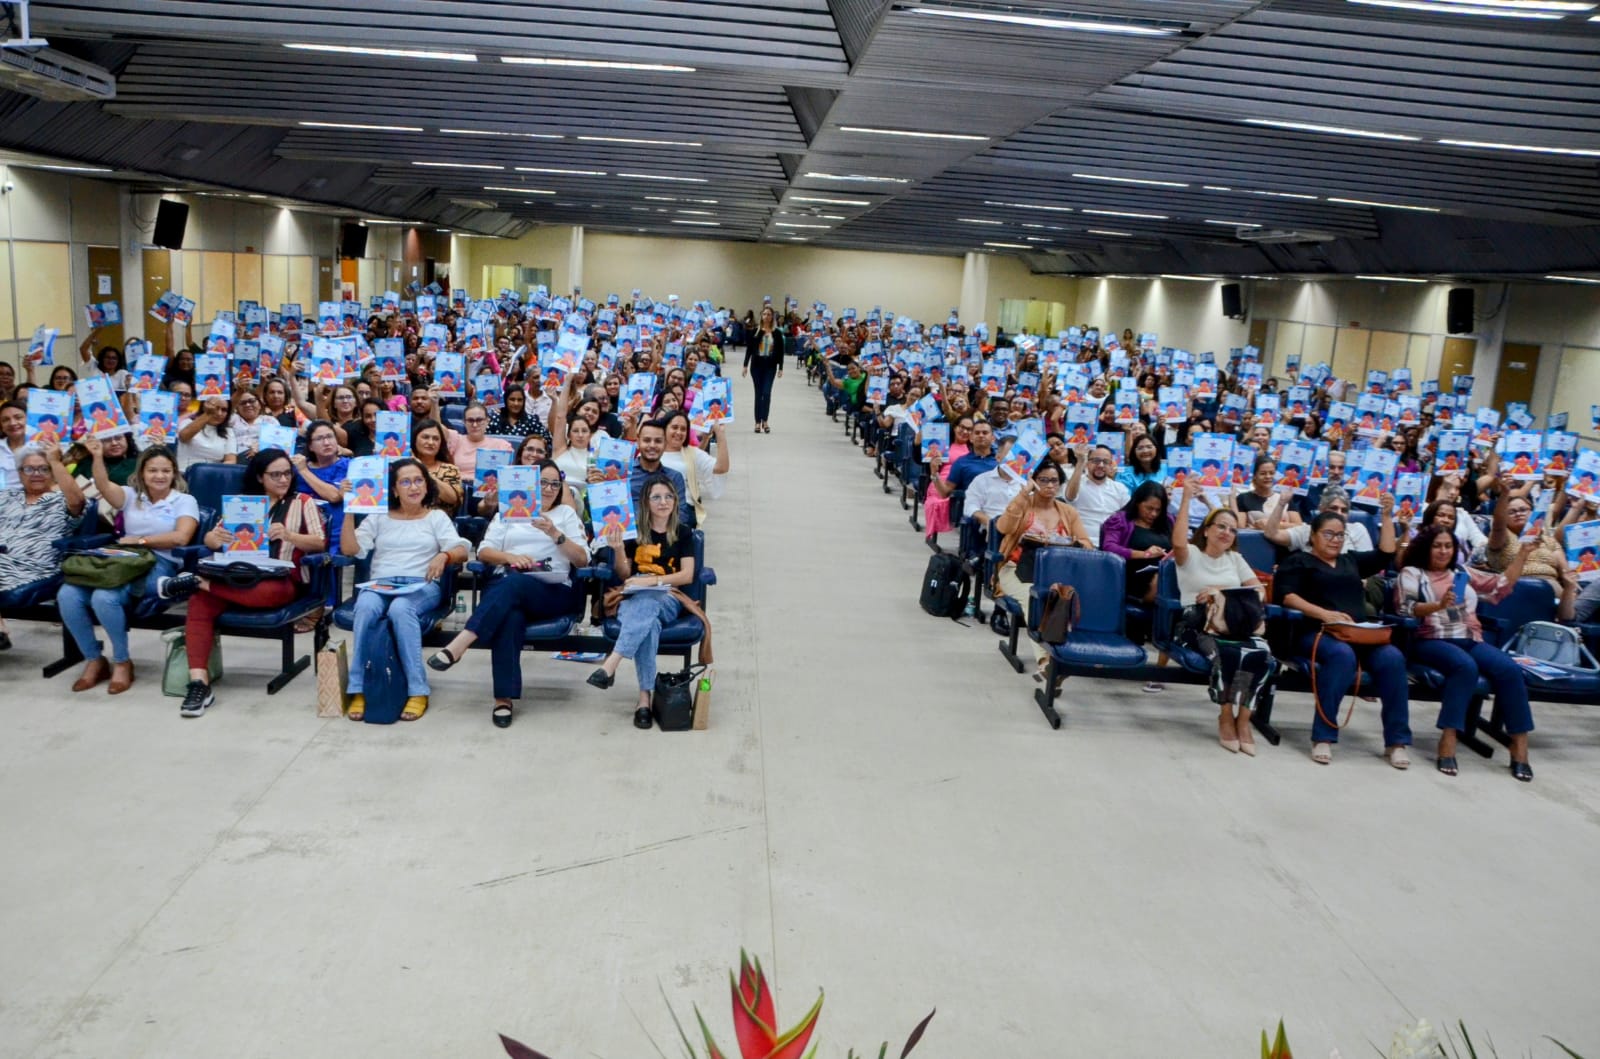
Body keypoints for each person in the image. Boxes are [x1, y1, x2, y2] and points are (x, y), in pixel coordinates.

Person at [161, 449, 327, 718]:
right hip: (236, 576)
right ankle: (199, 683)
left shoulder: (303, 501)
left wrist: (290, 535)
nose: (283, 479)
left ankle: (197, 583)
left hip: (280, 579)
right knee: (199, 603)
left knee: (269, 592)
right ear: (260, 477)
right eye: (275, 474)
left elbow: (320, 542)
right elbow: (211, 542)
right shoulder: (243, 504)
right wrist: (219, 537)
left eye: (287, 473)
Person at [428, 459, 589, 727]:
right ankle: (503, 698)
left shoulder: (566, 515)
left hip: (553, 591)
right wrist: (510, 557)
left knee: (512, 586)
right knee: (510, 614)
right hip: (510, 585)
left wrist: (555, 534)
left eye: (554, 484)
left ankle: (461, 643)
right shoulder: (508, 512)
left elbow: (583, 560)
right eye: (542, 483)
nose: (548, 489)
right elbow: (483, 552)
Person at [1275, 495, 1411, 768]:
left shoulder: (1350, 561)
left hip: (1358, 633)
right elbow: (1287, 597)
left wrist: (1386, 516)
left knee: (1393, 658)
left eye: (1340, 535)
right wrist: (1323, 613)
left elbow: (1385, 554)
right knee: (1342, 656)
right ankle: (1323, 736)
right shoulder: (1298, 561)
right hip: (1317, 632)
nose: (1335, 540)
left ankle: (1396, 741)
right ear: (1313, 536)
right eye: (1328, 534)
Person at [1397, 525, 1537, 781]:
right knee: (1465, 666)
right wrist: (1438, 605)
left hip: (1469, 637)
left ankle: (1519, 745)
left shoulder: (1461, 573)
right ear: (1426, 548)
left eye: (1448, 546)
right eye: (1437, 546)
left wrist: (1523, 554)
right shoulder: (1412, 573)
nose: (1443, 551)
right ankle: (1449, 737)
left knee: (1509, 669)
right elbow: (1406, 609)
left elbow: (1500, 586)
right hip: (1431, 638)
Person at [58, 442, 199, 694]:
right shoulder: (132, 495)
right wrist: (98, 456)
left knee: (105, 597)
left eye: (166, 471)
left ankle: (122, 661)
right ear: (142, 473)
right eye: (153, 470)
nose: (159, 476)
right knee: (67, 595)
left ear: (175, 473)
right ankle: (94, 659)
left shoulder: (184, 500)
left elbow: (181, 538)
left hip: (160, 561)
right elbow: (102, 486)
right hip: (124, 558)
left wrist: (142, 540)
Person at [339, 457, 469, 722]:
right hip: (381, 583)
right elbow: (351, 550)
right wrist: (349, 509)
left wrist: (443, 556)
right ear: (395, 489)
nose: (414, 487)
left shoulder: (436, 517)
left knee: (401, 609)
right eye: (406, 482)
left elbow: (462, 550)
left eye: (419, 480)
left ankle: (418, 689)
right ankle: (358, 686)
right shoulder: (378, 517)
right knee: (364, 607)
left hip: (420, 586)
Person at [1170, 479, 1274, 754]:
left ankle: (1245, 719)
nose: (1227, 532)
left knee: (1261, 654)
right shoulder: (1190, 554)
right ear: (1206, 530)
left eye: (1232, 529)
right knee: (1227, 656)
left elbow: (1258, 592)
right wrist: (1186, 499)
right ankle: (1226, 716)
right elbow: (1177, 540)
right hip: (1197, 625)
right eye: (1221, 526)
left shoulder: (1235, 560)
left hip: (1236, 624)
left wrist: (1220, 590)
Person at [586, 473, 697, 730]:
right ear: (646, 502)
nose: (663, 502)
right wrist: (618, 550)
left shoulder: (684, 533)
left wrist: (650, 582)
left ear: (675, 501)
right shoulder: (634, 531)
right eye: (656, 497)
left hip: (668, 596)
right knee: (649, 625)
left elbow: (686, 575)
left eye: (668, 496)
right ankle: (644, 699)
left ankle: (611, 663)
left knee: (649, 601)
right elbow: (625, 575)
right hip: (633, 596)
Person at [992, 460, 1093, 682]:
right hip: (1016, 570)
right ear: (1034, 482)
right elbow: (1003, 527)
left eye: (1054, 481)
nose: (1049, 485)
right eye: (1043, 480)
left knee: (1068, 595)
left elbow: (1087, 544)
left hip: (1056, 574)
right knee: (1034, 596)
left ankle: (1069, 654)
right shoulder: (1023, 505)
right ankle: (1046, 660)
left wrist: (1065, 541)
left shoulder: (1068, 512)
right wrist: (1023, 495)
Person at [0, 442, 86, 649]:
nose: (36, 474)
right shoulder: (5, 497)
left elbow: (78, 501)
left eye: (43, 468)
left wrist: (56, 460)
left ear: (53, 472)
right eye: (29, 469)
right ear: (20, 473)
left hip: (34, 566)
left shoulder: (61, 500)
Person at [1099, 481, 1171, 603]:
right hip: (1131, 574)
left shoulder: (1168, 520)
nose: (1153, 514)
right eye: (1149, 508)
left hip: (1165, 570)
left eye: (1158, 510)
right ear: (1137, 502)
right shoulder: (1120, 519)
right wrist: (1145, 554)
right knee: (1159, 581)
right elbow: (1109, 547)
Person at [661, 411, 728, 525]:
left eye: (683, 429)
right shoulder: (653, 451)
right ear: (664, 429)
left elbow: (721, 467)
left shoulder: (692, 453)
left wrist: (720, 434)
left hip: (683, 512)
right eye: (674, 427)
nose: (679, 432)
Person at [1262, 485, 1371, 554]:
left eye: (1344, 510)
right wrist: (1281, 503)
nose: (1339, 514)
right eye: (1333, 508)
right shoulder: (1306, 531)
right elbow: (1271, 534)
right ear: (1321, 510)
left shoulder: (1357, 529)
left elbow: (1369, 566)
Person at [293, 419, 348, 551]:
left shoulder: (348, 466)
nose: (326, 443)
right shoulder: (297, 467)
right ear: (310, 446)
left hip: (335, 532)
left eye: (330, 437)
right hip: (301, 530)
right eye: (319, 439)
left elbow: (334, 496)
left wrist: (304, 471)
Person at [1065, 442, 1131, 541]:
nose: (1100, 465)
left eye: (1105, 462)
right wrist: (1080, 461)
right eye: (1096, 461)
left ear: (1111, 465)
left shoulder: (1119, 488)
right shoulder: (1077, 483)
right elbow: (1069, 496)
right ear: (1087, 463)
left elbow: (1129, 516)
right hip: (1083, 542)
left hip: (1112, 543)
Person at [743, 305, 784, 433]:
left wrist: (781, 368)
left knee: (766, 393)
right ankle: (757, 422)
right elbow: (749, 349)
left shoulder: (777, 333)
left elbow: (781, 351)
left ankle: (765, 420)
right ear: (761, 316)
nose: (766, 316)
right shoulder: (756, 331)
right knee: (758, 393)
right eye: (764, 314)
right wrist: (745, 365)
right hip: (756, 366)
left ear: (772, 317)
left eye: (769, 314)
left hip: (770, 365)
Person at [411, 420, 463, 515]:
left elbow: (453, 499)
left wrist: (422, 470)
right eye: (425, 437)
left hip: (438, 524)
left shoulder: (450, 469)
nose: (431, 442)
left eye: (435, 439)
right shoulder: (403, 467)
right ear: (414, 440)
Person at [451, 401, 513, 479]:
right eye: (470, 420)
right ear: (464, 422)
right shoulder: (455, 440)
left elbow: (506, 476)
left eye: (479, 420)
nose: (475, 425)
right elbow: (435, 428)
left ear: (487, 421)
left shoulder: (502, 445)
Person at [176, 397, 238, 471]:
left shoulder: (228, 431)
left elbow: (231, 460)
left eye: (224, 410)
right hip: (185, 473)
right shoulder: (187, 422)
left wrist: (212, 473)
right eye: (215, 408)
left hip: (213, 475)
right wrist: (208, 414)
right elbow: (184, 437)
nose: (219, 413)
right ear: (204, 408)